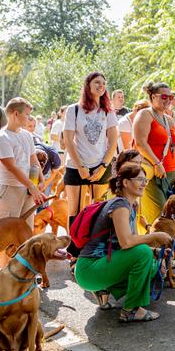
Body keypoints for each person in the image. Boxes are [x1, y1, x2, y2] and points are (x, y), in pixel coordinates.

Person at [74, 163, 173, 322]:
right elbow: (126, 242)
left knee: (152, 265)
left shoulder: (129, 205)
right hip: (90, 270)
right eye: (140, 179)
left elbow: (128, 243)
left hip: (98, 267)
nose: (144, 183)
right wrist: (156, 237)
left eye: (145, 180)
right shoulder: (120, 205)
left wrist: (156, 252)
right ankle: (132, 310)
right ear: (126, 183)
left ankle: (103, 290)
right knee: (143, 254)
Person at [64, 72, 119, 257]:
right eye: (97, 82)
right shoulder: (74, 109)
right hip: (76, 166)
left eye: (104, 83)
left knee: (100, 209)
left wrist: (103, 166)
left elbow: (112, 141)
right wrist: (80, 167)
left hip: (101, 166)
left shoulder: (108, 111)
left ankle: (96, 248)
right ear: (88, 85)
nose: (101, 86)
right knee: (75, 210)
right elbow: (68, 140)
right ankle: (74, 251)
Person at [0, 98, 47, 266]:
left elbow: (33, 160)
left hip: (27, 190)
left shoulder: (26, 135)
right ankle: (5, 272)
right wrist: (31, 186)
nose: (29, 118)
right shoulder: (2, 137)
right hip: (9, 190)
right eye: (27, 114)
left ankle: (21, 273)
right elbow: (12, 167)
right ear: (16, 114)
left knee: (25, 233)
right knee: (6, 236)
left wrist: (40, 179)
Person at [133, 83, 175, 224]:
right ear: (153, 96)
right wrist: (157, 163)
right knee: (160, 218)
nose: (168, 100)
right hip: (153, 173)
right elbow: (140, 143)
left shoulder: (169, 119)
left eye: (171, 97)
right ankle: (157, 244)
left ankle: (167, 245)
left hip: (171, 175)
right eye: (164, 96)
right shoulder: (145, 115)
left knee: (170, 217)